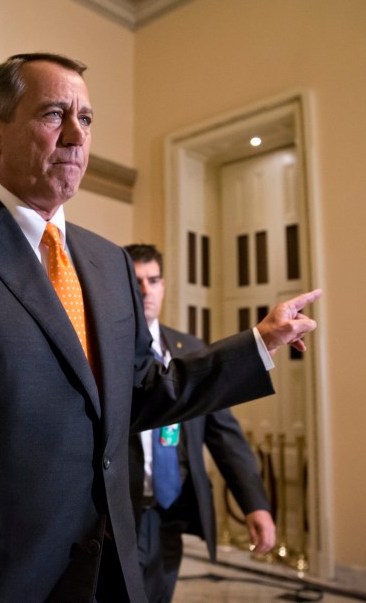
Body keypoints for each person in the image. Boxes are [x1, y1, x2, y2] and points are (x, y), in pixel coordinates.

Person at [0, 53, 321, 602]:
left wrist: (258, 344)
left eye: (87, 119)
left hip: (108, 576)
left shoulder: (107, 262)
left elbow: (145, 392)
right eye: (54, 114)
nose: (76, 135)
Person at [124, 243, 275, 602]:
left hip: (170, 515)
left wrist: (254, 503)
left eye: (154, 280)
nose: (146, 290)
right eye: (137, 280)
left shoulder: (190, 348)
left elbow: (223, 432)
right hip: (118, 516)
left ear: (163, 285)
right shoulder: (105, 346)